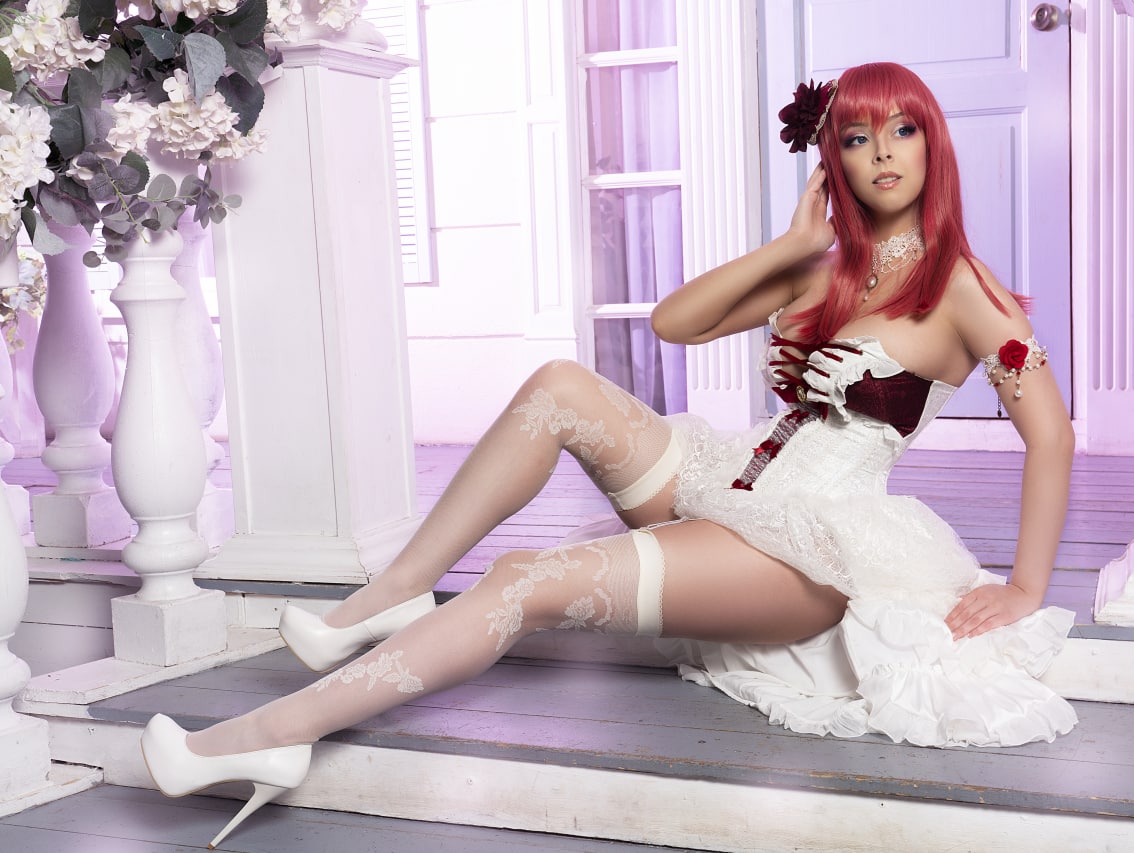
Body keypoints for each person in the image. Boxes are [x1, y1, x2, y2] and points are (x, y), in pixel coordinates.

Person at [139, 62, 1077, 849]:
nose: (883, 154)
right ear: (832, 157)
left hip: (811, 546)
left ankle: (271, 736)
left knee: (521, 578)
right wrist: (792, 243)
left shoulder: (963, 288)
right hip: (724, 485)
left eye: (903, 131)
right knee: (559, 383)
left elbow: (1052, 433)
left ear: (933, 144)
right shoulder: (819, 267)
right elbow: (676, 322)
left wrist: (1026, 586)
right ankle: (396, 591)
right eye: (858, 137)